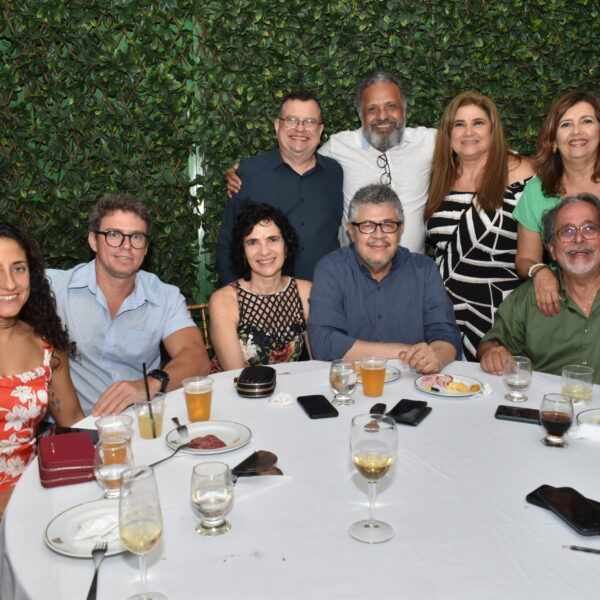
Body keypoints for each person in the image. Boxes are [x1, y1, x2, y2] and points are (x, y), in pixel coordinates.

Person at [227, 72, 436, 254]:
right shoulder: (339, 147)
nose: (382, 116)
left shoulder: (430, 142)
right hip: (354, 277)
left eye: (391, 106)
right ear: (360, 115)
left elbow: (458, 143)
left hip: (413, 274)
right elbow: (299, 159)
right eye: (372, 109)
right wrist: (244, 174)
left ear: (404, 110)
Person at [47, 194, 210, 416]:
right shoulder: (54, 289)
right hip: (78, 425)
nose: (126, 246)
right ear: (93, 240)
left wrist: (148, 385)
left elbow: (196, 357)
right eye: (114, 235)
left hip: (142, 422)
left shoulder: (165, 297)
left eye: (137, 237)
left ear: (146, 247)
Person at [424, 91, 534, 360]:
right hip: (443, 315)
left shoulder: (522, 172)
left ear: (492, 129)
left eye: (478, 123)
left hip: (499, 317)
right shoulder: (441, 177)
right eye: (459, 124)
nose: (468, 132)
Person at [308, 184, 461, 373]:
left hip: (412, 382)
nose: (379, 235)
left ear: (400, 229)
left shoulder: (424, 269)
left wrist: (436, 355)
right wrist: (405, 352)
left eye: (388, 225)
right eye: (367, 226)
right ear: (351, 231)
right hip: (352, 383)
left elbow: (446, 334)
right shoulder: (331, 269)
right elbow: (323, 342)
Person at [0, 222, 84, 513]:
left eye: (18, 269)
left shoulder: (47, 345)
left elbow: (73, 423)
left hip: (33, 497)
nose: (9, 284)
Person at [217, 90, 343, 284]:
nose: (300, 128)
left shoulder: (335, 173)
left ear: (320, 130)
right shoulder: (249, 173)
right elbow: (228, 241)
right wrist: (235, 294)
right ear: (277, 126)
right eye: (291, 120)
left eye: (309, 122)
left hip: (327, 293)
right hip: (264, 296)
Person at [478, 194, 600, 381]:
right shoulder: (529, 297)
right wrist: (493, 353)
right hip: (546, 399)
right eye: (567, 231)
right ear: (552, 250)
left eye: (589, 228)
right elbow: (489, 345)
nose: (578, 238)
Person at [514, 91, 600, 316]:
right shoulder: (537, 191)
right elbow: (525, 258)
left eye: (587, 121)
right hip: (562, 300)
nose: (576, 131)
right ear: (553, 140)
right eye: (566, 124)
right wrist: (540, 272)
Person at [210, 204, 311, 370]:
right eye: (252, 242)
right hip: (235, 384)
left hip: (288, 385)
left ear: (286, 244)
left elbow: (318, 363)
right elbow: (236, 375)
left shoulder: (305, 292)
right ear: (243, 251)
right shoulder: (225, 300)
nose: (264, 251)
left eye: (272, 239)